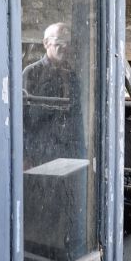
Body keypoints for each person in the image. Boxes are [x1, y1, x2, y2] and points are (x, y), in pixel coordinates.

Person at [22, 22, 84, 168]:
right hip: (39, 154)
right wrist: (24, 156)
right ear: (46, 43)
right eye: (60, 41)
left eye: (68, 42)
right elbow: (22, 119)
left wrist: (81, 151)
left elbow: (77, 116)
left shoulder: (72, 76)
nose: (65, 46)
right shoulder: (31, 73)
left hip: (68, 153)